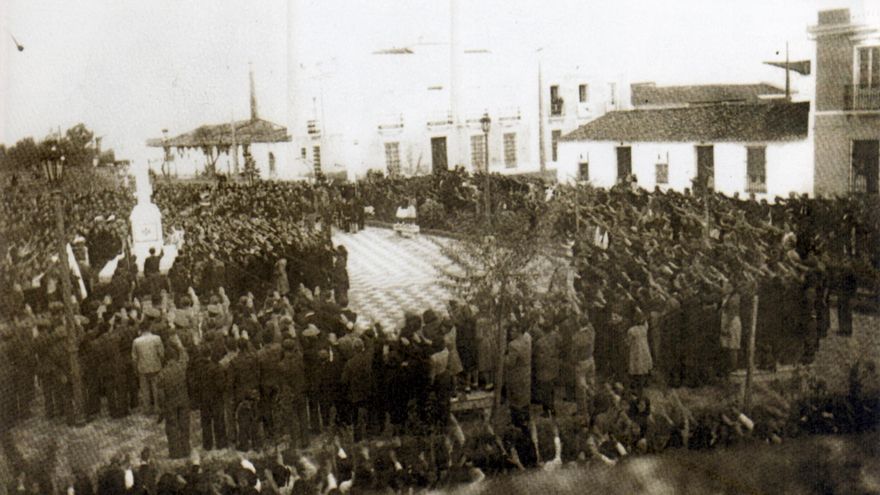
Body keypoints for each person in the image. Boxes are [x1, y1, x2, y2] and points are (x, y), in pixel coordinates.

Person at [157, 334, 190, 459]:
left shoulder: (162, 375)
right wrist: (179, 345)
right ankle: (186, 450)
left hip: (170, 403)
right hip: (183, 400)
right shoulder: (181, 367)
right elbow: (185, 356)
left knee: (172, 427)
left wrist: (162, 407)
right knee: (184, 425)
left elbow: (160, 395)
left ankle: (175, 453)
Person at [131, 311, 165, 414]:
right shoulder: (156, 338)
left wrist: (136, 369)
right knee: (156, 388)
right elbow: (162, 354)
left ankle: (147, 409)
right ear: (150, 328)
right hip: (155, 366)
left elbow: (134, 358)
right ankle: (157, 407)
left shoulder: (136, 341)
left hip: (142, 367)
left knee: (145, 390)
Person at [504, 324, 532, 434]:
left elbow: (510, 363)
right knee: (524, 398)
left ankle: (518, 424)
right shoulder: (527, 340)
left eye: (513, 331)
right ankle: (526, 420)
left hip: (516, 375)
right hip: (525, 373)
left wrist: (503, 357)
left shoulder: (513, 345)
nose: (510, 333)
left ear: (518, 331)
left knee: (515, 399)